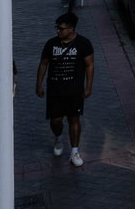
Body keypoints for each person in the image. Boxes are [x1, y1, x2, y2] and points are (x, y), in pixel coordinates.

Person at [36, 11, 94, 168]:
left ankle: (74, 151)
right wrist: (38, 85)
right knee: (55, 120)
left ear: (71, 28)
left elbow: (89, 65)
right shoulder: (51, 44)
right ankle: (59, 137)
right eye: (57, 28)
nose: (58, 31)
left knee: (74, 119)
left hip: (74, 90)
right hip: (55, 90)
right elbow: (43, 64)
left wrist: (88, 86)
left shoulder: (83, 43)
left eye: (61, 28)